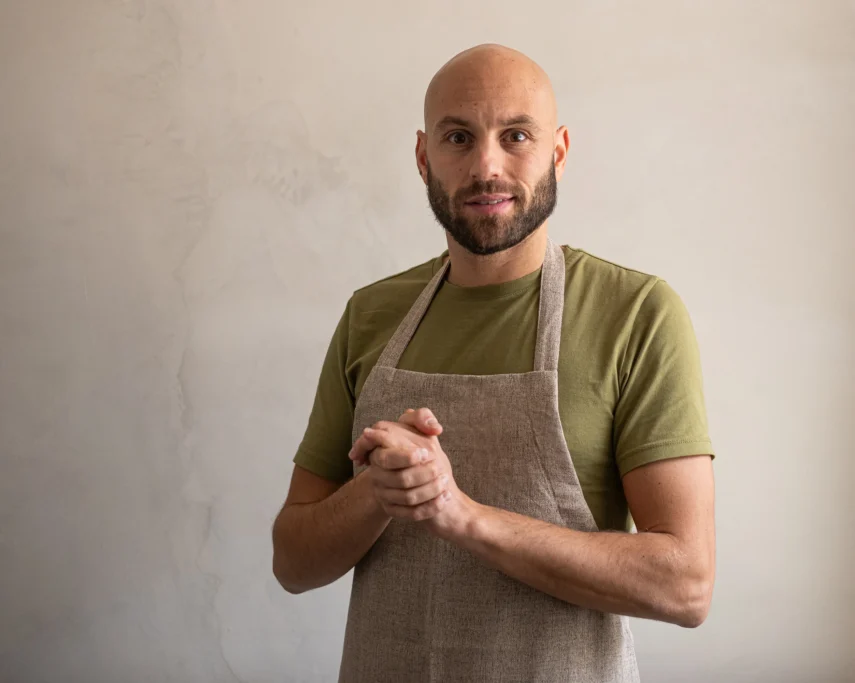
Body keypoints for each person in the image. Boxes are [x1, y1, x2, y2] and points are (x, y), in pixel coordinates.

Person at [272, 43, 716, 682]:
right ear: (424, 157)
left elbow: (685, 586)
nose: (486, 165)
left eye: (516, 136)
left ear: (558, 150)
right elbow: (293, 562)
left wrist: (462, 514)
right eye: (458, 137)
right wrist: (377, 491)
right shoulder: (371, 314)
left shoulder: (636, 313)